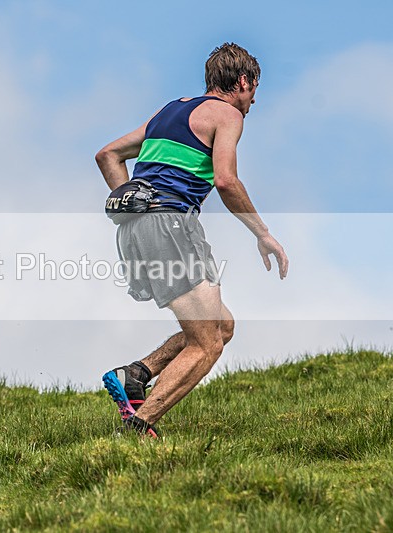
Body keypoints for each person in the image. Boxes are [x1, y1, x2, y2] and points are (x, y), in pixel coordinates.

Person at [95, 43, 288, 437]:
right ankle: (138, 427)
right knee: (208, 343)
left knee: (221, 325)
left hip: (134, 232)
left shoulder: (169, 110)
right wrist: (263, 233)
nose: (253, 101)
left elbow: (108, 155)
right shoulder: (228, 114)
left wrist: (136, 205)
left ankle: (135, 375)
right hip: (171, 225)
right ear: (244, 81)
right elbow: (226, 180)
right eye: (254, 90)